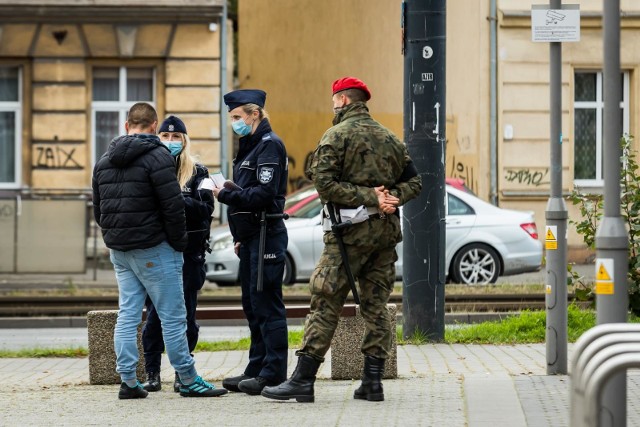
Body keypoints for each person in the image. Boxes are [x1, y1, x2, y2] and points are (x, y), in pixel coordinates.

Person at [261, 77, 422, 403]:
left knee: (325, 304)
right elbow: (416, 181)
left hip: (347, 239)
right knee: (376, 306)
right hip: (384, 237)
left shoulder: (336, 136)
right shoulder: (390, 138)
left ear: (344, 100)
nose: (333, 105)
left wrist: (370, 197)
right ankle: (372, 382)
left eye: (335, 99)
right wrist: (392, 197)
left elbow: (324, 184)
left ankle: (303, 380)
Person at [92, 102, 227, 399]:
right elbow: (172, 207)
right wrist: (178, 244)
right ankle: (188, 379)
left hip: (120, 251)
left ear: (127, 126)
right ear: (154, 127)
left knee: (128, 315)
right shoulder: (158, 158)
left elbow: (99, 211)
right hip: (155, 248)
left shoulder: (103, 161)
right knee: (174, 316)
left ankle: (128, 380)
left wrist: (114, 239)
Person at [212, 89, 289, 396]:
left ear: (254, 114)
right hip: (251, 237)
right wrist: (240, 236)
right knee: (251, 305)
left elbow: (264, 195)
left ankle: (273, 373)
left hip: (267, 234)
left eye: (237, 117)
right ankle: (256, 368)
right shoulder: (251, 147)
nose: (234, 123)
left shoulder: (270, 147)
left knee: (267, 303)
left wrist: (225, 194)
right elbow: (249, 191)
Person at [140, 115, 215, 393]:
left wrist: (174, 198)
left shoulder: (199, 172)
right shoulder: (150, 169)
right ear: (157, 138)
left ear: (184, 140)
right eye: (165, 136)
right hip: (158, 253)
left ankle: (184, 373)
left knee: (187, 316)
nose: (171, 142)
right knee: (156, 316)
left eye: (176, 137)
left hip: (190, 254)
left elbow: (206, 209)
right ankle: (152, 372)